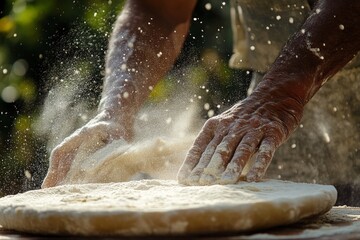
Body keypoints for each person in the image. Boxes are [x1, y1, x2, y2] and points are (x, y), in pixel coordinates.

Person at [41, 0, 360, 188]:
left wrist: (280, 95)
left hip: (285, 92)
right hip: (271, 111)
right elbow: (157, 10)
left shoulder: (275, 99)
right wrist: (115, 110)